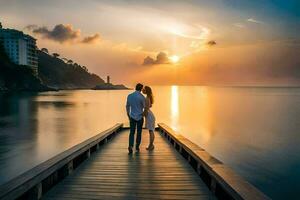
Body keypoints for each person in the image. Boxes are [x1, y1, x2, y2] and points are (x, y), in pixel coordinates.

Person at [126, 83, 145, 154]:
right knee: (139, 132)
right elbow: (144, 107)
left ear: (135, 88)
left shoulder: (130, 96)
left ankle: (130, 146)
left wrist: (128, 114)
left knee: (132, 132)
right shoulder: (142, 97)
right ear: (141, 89)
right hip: (140, 117)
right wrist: (143, 115)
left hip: (132, 116)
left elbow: (127, 106)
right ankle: (137, 146)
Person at [142, 86, 156, 150]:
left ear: (146, 91)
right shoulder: (148, 97)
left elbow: (146, 108)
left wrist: (142, 115)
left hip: (149, 115)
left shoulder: (147, 98)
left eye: (144, 89)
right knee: (151, 131)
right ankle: (151, 145)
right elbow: (150, 105)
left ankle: (151, 146)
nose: (142, 90)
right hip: (150, 115)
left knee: (151, 131)